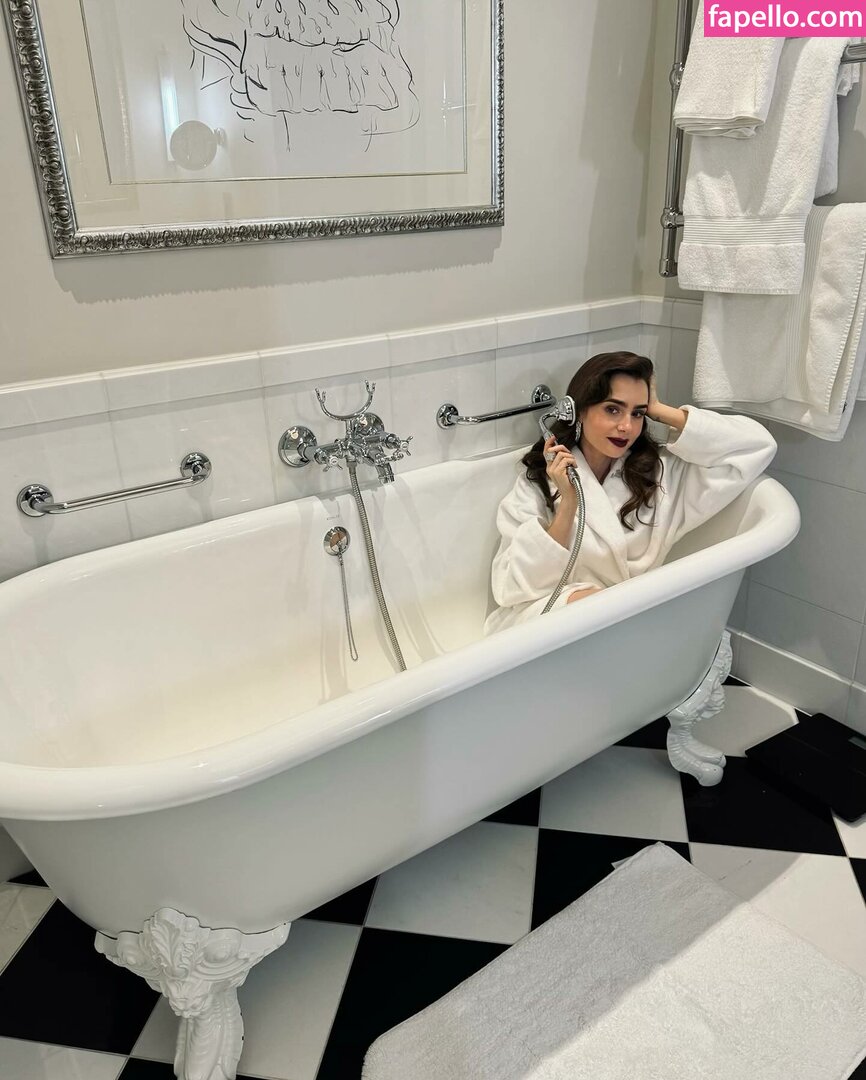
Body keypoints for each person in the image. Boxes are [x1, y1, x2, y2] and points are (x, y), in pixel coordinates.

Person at [484, 351, 777, 634]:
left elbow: (757, 446)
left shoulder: (658, 476)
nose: (626, 426)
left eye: (637, 413)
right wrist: (569, 503)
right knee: (595, 608)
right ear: (580, 410)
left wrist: (660, 410)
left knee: (614, 615)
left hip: (627, 623)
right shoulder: (540, 481)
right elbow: (512, 588)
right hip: (545, 627)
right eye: (613, 409)